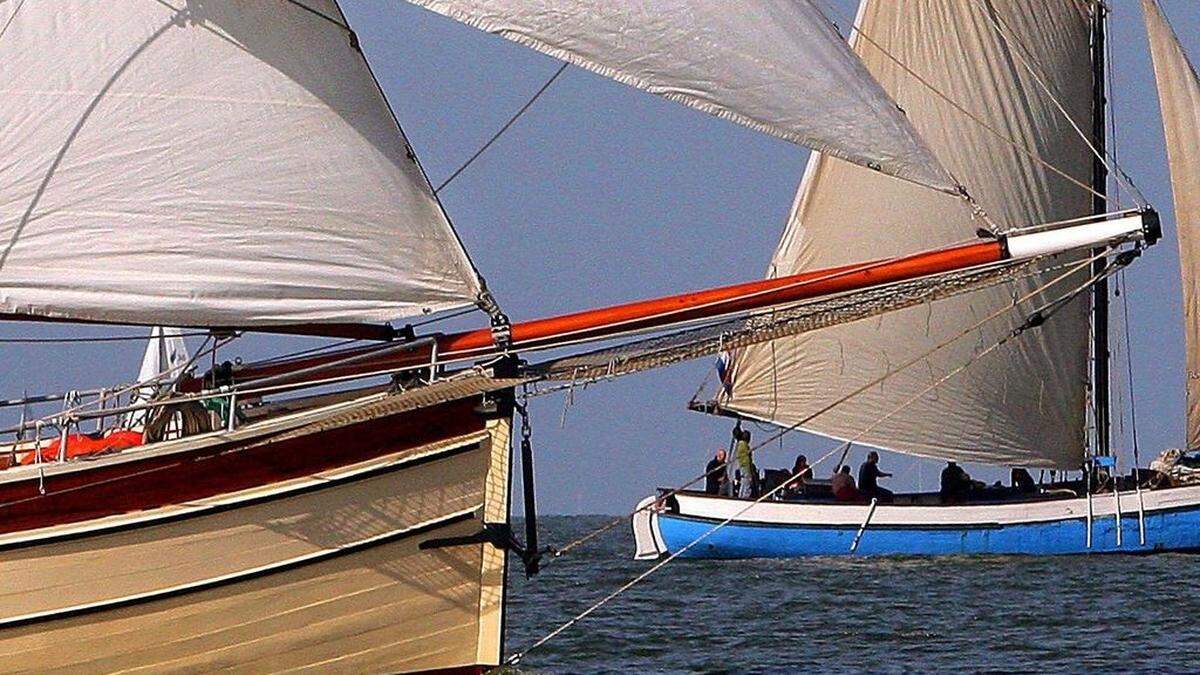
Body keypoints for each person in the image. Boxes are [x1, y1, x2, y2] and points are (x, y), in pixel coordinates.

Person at [734, 429, 757, 498]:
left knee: (744, 482)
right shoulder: (743, 445)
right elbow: (746, 458)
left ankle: (741, 496)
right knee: (747, 482)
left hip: (742, 466)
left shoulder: (739, 444)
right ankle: (745, 496)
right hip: (745, 466)